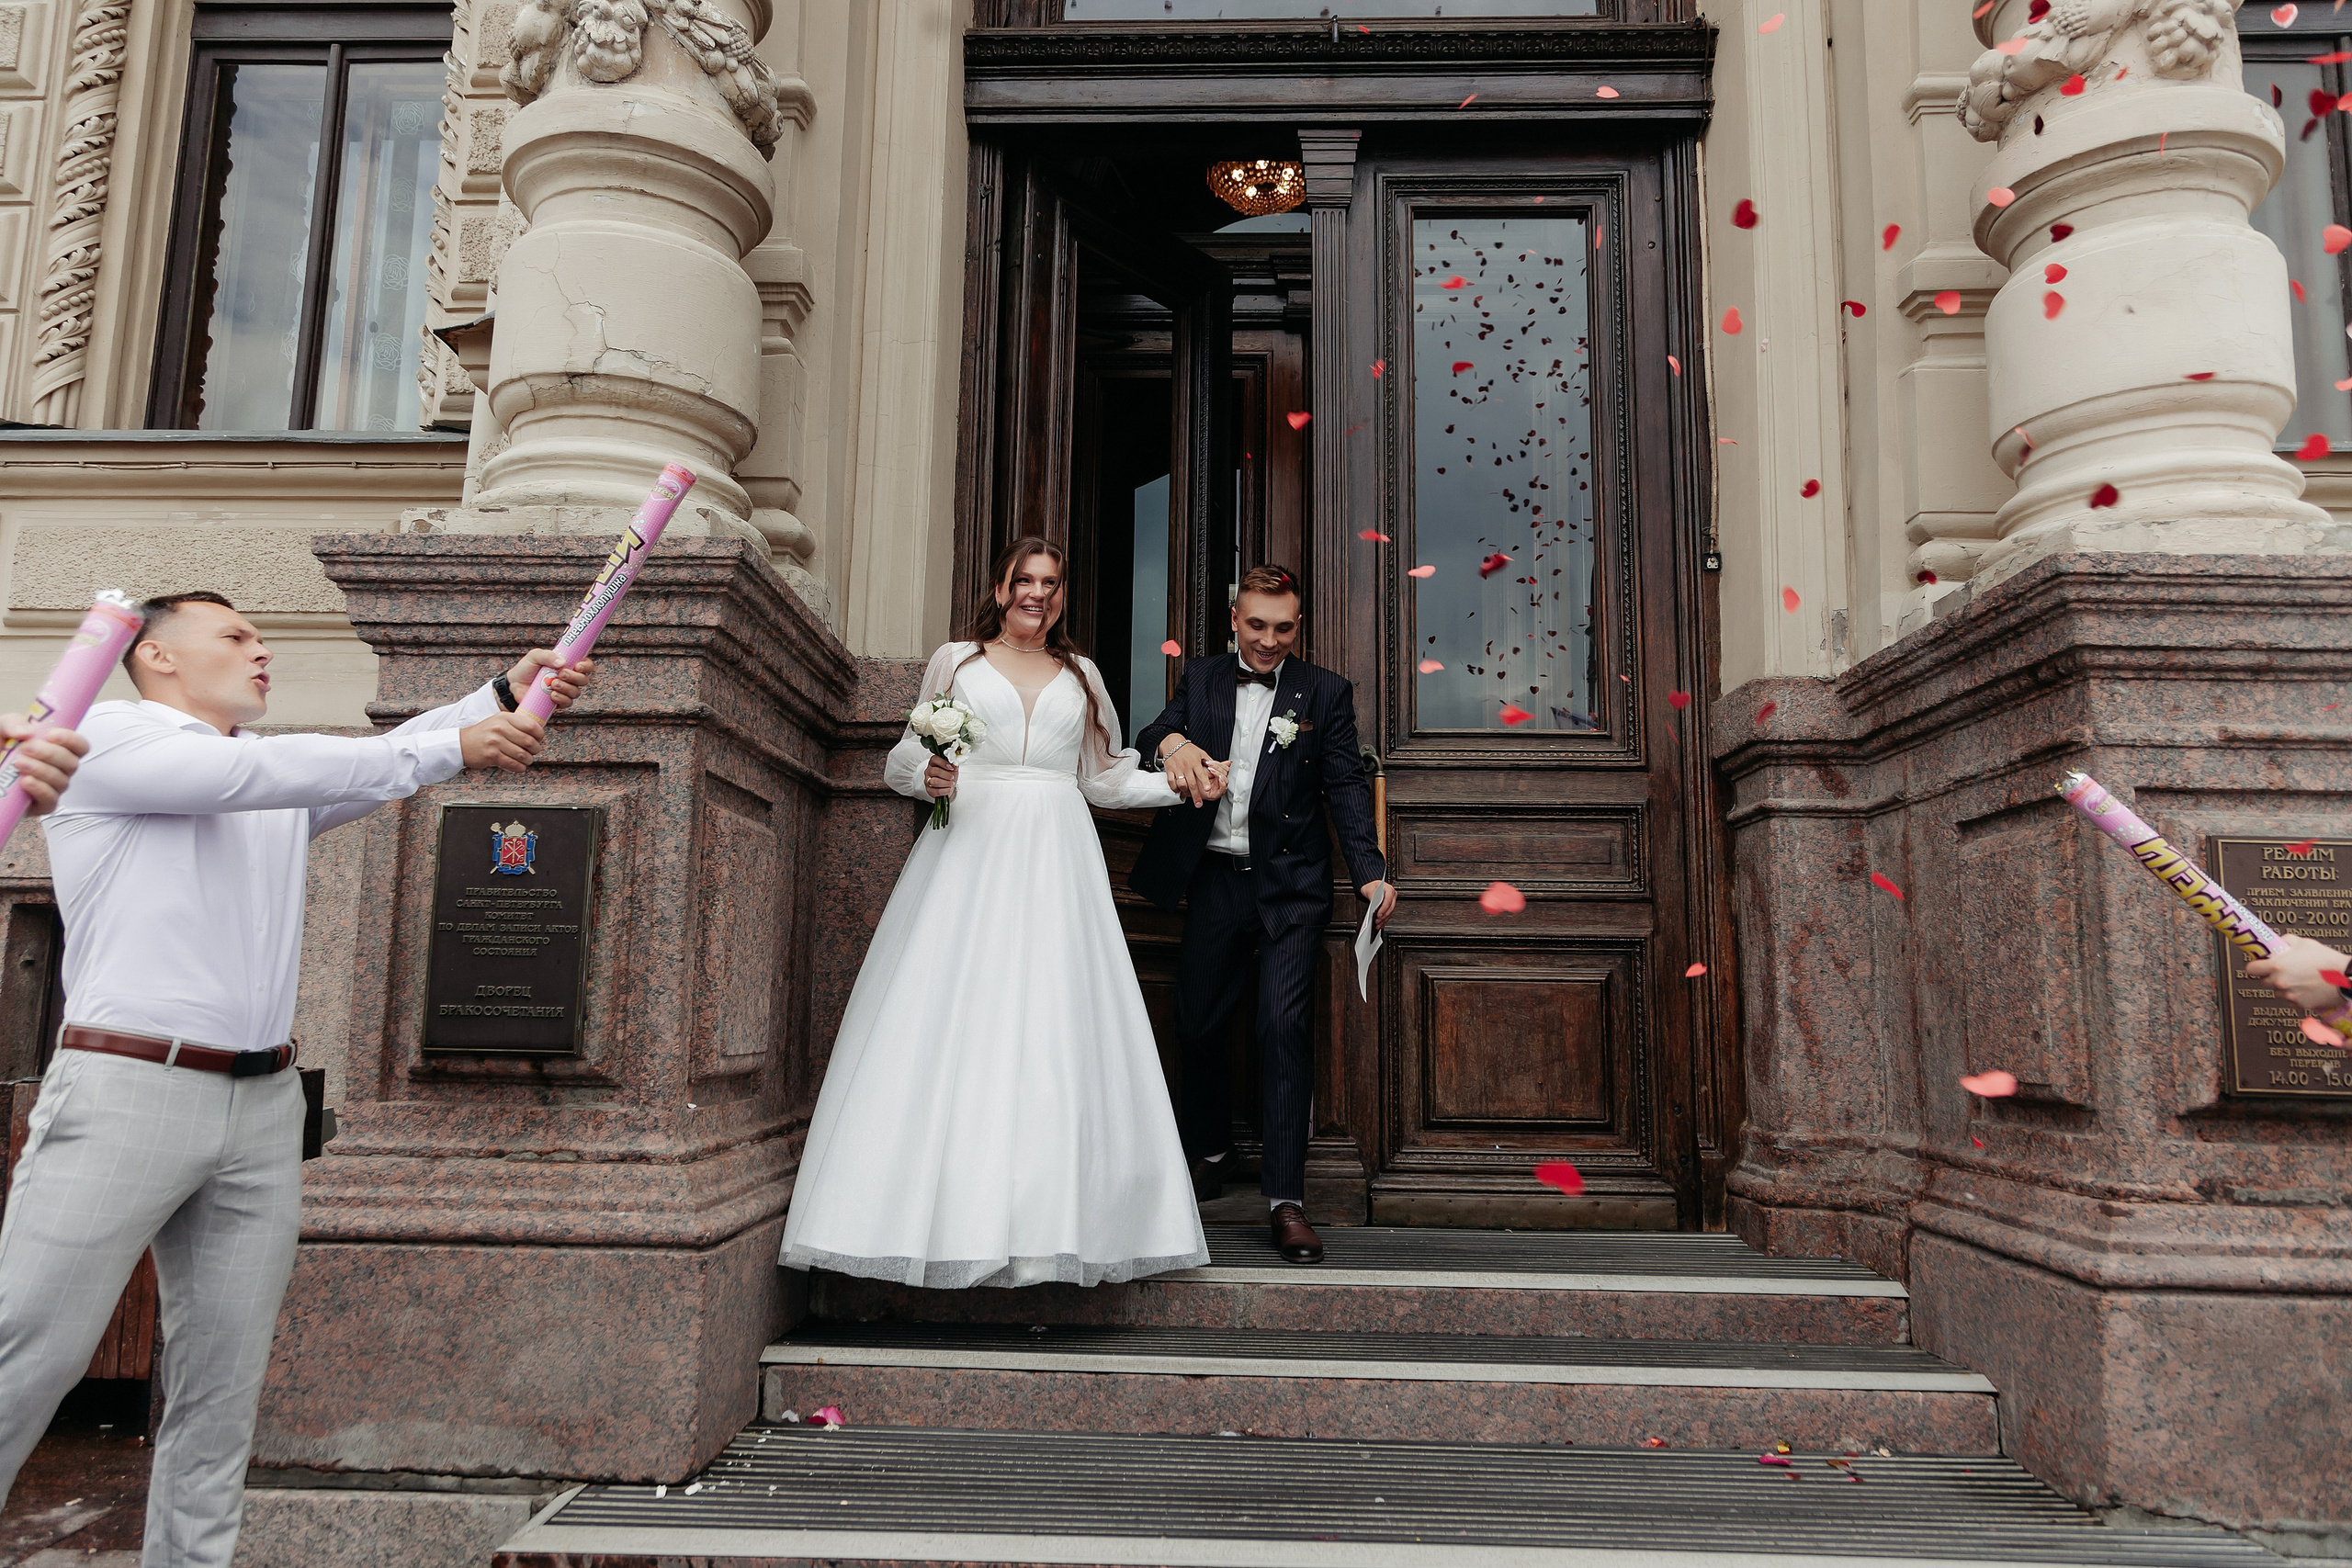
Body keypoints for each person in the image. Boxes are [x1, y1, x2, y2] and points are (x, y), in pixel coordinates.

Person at [0, 591, 591, 1568]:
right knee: (28, 1355)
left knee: (222, 1391)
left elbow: (369, 766)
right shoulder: (110, 735)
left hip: (261, 1108)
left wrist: (496, 694)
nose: (262, 651)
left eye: (261, 637)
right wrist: (456, 747)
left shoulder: (261, 784)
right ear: (156, 659)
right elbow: (272, 769)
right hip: (125, 1095)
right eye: (235, 637)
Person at [781, 537, 1213, 1288]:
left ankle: (1050, 1235)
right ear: (1001, 586)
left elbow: (1106, 780)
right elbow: (899, 764)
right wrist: (932, 774)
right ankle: (938, 1224)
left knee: (1053, 1028)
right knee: (957, 1021)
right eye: (1024, 581)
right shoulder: (958, 662)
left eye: (1050, 583)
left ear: (1061, 594)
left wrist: (1184, 785)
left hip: (1057, 860)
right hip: (970, 858)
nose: (1036, 595)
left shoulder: (1083, 676)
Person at [1131, 565, 1394, 1266]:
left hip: (1290, 886)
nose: (1269, 639)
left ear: (1297, 625)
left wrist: (1369, 872)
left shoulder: (1326, 692)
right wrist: (1175, 745)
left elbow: (1344, 783)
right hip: (1214, 880)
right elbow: (1152, 728)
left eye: (1283, 627)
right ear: (1234, 618)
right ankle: (1210, 1145)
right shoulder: (1207, 678)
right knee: (1197, 1019)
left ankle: (1286, 1200)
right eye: (1257, 624)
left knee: (1283, 1028)